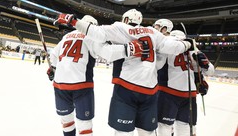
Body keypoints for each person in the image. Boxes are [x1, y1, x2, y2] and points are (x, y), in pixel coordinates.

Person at [55, 9, 194, 136]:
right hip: (150, 91)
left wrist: (73, 21)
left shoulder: (120, 27)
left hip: (126, 88)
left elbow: (99, 37)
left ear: (126, 20)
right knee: (147, 132)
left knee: (123, 132)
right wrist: (187, 44)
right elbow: (170, 52)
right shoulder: (154, 33)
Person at [48, 15, 144, 136]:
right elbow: (108, 53)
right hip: (81, 86)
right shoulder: (91, 37)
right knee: (85, 126)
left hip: (60, 85)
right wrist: (128, 49)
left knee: (66, 121)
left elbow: (54, 55)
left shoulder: (66, 36)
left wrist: (53, 68)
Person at [156, 29, 197, 136]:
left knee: (165, 125)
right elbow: (206, 68)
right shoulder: (193, 48)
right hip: (189, 92)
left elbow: (157, 65)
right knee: (184, 125)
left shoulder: (167, 43)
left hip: (169, 91)